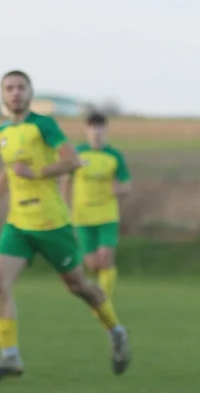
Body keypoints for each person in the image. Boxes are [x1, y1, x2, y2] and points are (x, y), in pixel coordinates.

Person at [0, 70, 131, 380]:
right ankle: (10, 357)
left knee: (79, 287)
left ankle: (116, 331)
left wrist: (38, 173)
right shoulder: (2, 132)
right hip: (18, 224)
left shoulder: (43, 125)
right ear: (2, 96)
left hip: (51, 224)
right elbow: (9, 170)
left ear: (30, 93)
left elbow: (73, 161)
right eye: (9, 88)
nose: (16, 93)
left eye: (21, 87)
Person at [61, 112, 132, 301]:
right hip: (82, 216)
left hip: (107, 215)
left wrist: (120, 190)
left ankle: (103, 302)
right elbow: (67, 180)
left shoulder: (114, 156)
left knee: (105, 259)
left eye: (100, 128)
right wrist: (65, 207)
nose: (96, 133)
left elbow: (126, 185)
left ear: (105, 130)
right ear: (87, 130)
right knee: (92, 265)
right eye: (93, 128)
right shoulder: (78, 153)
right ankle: (99, 293)